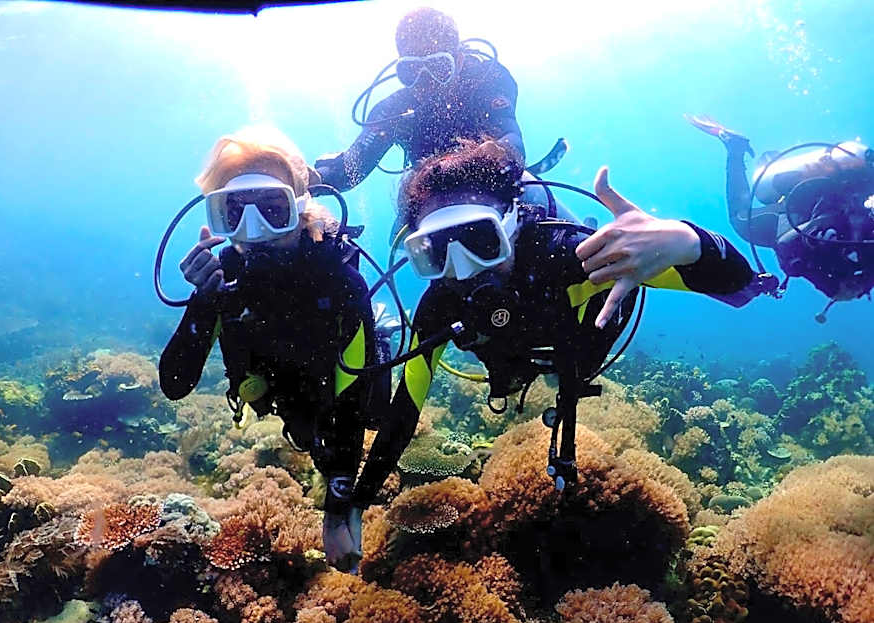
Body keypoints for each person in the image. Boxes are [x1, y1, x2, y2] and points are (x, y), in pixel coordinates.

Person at [331, 139, 778, 570]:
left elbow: (739, 289)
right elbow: (403, 413)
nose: (462, 268)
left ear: (511, 223)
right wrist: (353, 504)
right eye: (437, 251)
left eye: (480, 241)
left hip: (580, 347)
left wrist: (686, 241)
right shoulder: (439, 307)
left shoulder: (577, 260)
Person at [158, 128, 380, 571]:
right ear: (216, 215)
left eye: (273, 210)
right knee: (308, 428)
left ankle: (384, 331)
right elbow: (176, 385)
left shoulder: (337, 279)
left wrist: (337, 511)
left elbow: (354, 408)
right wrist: (205, 300)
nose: (253, 230)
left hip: (334, 391)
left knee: (374, 411)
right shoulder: (224, 280)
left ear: (299, 209)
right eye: (234, 212)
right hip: (274, 391)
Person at [315, 7, 525, 192]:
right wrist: (312, 179)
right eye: (412, 70)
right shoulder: (393, 110)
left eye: (438, 67)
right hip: (430, 197)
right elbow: (351, 170)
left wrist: (503, 151)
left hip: (496, 187)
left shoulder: (487, 81)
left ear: (459, 61)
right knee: (398, 237)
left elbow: (510, 133)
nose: (425, 81)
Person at [687, 115, 874, 320]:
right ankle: (735, 150)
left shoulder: (861, 221)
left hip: (815, 204)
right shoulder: (841, 220)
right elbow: (787, 246)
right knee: (739, 219)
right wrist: (829, 286)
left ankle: (765, 162)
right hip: (793, 215)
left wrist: (859, 284)